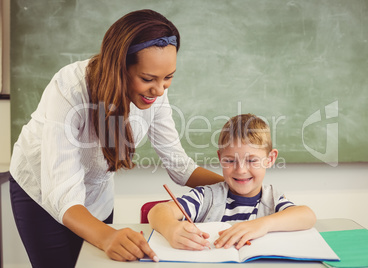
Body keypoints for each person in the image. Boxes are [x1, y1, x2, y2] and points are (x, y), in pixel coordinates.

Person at [9, 9, 223, 267]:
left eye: (168, 78)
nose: (158, 90)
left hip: (96, 194)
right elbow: (63, 194)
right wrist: (106, 237)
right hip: (42, 191)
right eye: (148, 79)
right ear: (120, 67)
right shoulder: (69, 89)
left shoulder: (156, 92)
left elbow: (180, 167)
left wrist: (238, 186)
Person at [148, 113, 316, 251]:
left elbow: (308, 215)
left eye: (251, 160)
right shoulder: (206, 196)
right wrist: (171, 229)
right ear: (220, 158)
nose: (241, 170)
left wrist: (262, 224)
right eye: (230, 161)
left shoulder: (273, 199)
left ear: (270, 159)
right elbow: (157, 211)